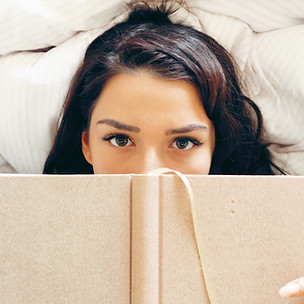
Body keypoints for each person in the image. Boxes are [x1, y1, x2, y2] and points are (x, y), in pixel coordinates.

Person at [43, 0, 303, 297]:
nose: (150, 174)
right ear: (86, 144)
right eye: (120, 139)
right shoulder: (31, 239)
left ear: (216, 148)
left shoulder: (283, 246)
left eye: (183, 142)